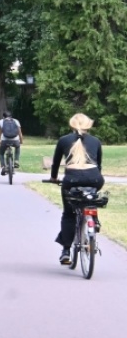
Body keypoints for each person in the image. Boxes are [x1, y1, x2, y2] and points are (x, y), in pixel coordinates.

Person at [46, 113, 104, 265]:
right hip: (95, 179)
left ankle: (66, 251)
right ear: (88, 125)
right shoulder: (96, 141)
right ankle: (94, 219)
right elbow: (99, 165)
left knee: (69, 214)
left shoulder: (64, 140)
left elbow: (56, 163)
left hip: (72, 180)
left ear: (71, 125)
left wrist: (53, 178)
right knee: (90, 198)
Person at [0, 110, 24, 176]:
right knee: (17, 147)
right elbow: (20, 133)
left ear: (3, 117)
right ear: (11, 116)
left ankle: (3, 166)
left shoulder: (1, 122)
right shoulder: (16, 121)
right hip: (15, 141)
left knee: (1, 153)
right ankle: (16, 161)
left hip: (4, 141)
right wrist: (21, 141)